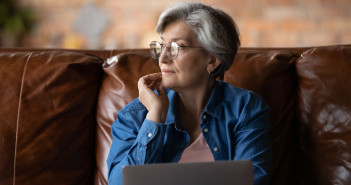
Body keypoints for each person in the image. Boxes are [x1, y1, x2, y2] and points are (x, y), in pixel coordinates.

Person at [107, 2, 272, 185]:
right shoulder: (134, 116)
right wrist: (154, 119)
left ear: (212, 60)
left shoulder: (246, 109)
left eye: (177, 48)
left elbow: (253, 180)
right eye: (161, 46)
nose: (162, 58)